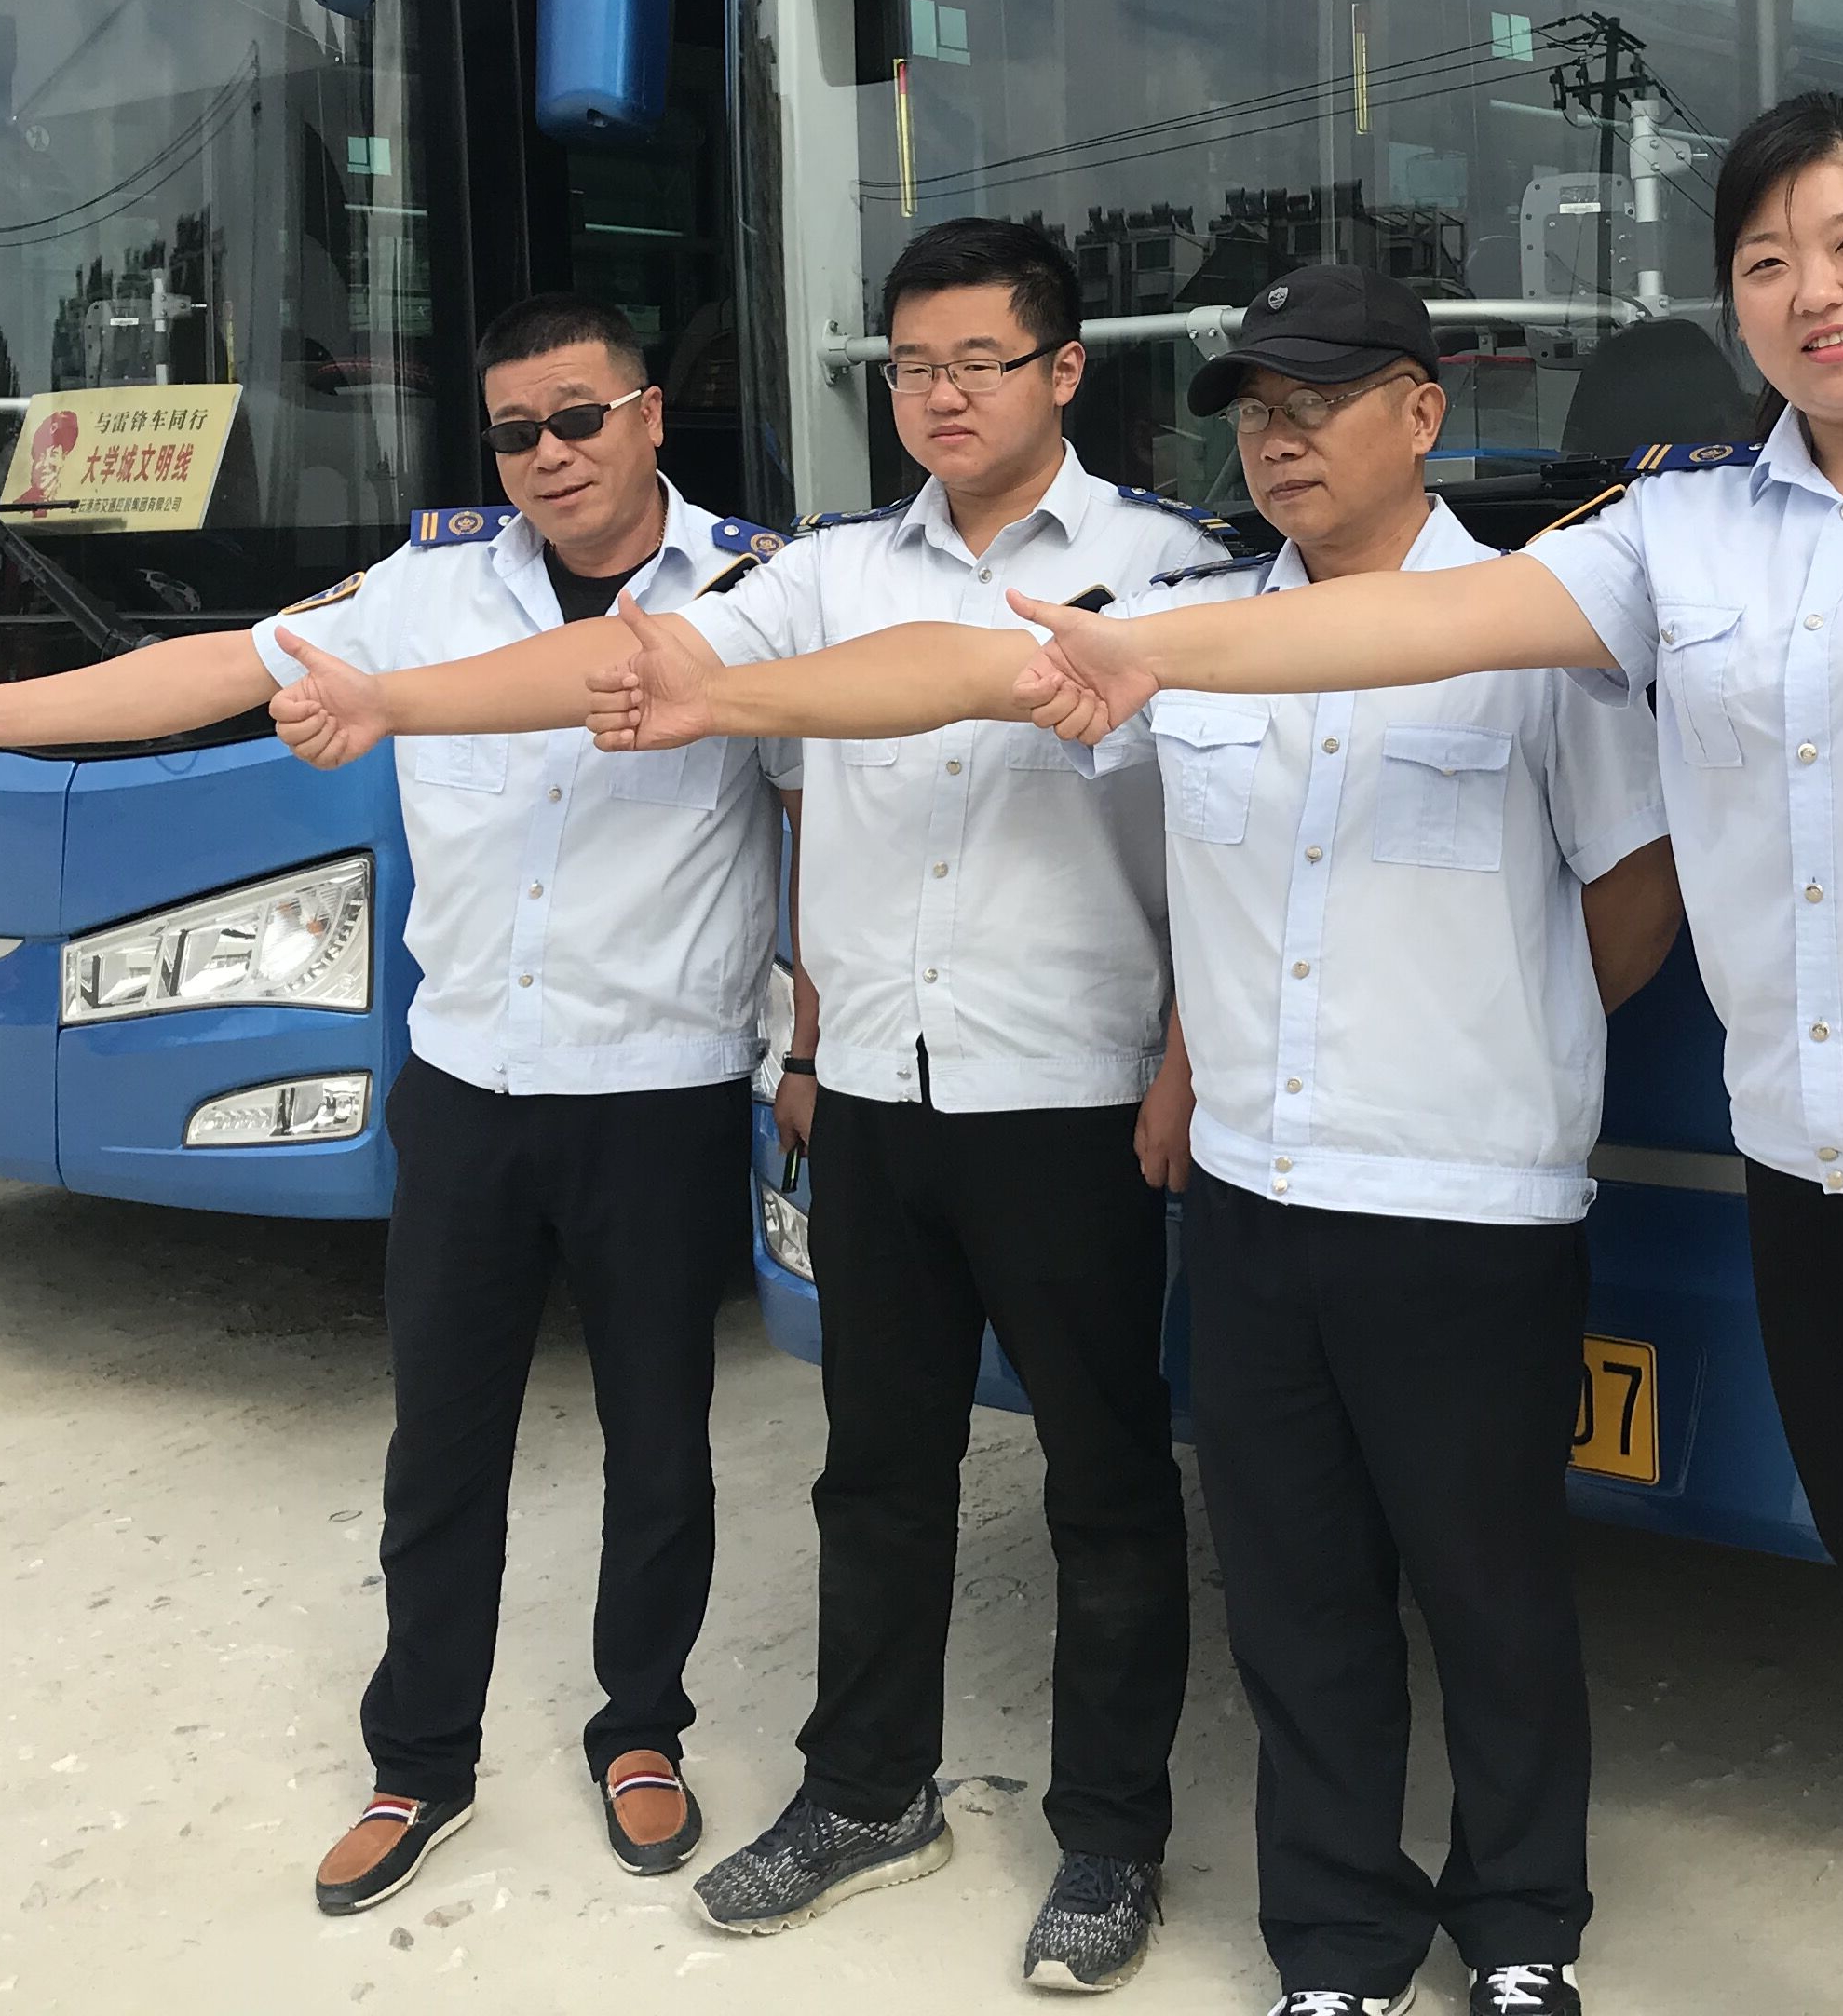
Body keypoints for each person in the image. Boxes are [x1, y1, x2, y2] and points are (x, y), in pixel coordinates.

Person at [1000, 94, 1843, 2016]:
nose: (1816, 290)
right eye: (1768, 261)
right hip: (1821, 1182)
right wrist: (1146, 655)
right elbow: (1417, 625)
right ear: (1733, 302)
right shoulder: (1682, 528)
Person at [581, 262, 1685, 2016]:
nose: (1281, 442)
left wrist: (1499, 1024)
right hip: (1253, 1189)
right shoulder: (1187, 636)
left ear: (1424, 411)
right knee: (1298, 1594)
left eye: (1320, 404)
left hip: (1466, 1189)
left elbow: (1632, 898)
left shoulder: (1535, 635)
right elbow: (1009, 717)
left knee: (1490, 1590)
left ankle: (1522, 1929)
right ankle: (1337, 1942)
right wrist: (717, 700)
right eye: (1257, 412)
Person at [261, 219, 1223, 1993]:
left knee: (1104, 1482)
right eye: (911, 367)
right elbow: (634, 661)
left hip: (1068, 1088)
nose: (940, 396)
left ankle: (1109, 1836)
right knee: (877, 1474)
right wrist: (404, 699)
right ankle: (866, 1793)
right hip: (876, 1096)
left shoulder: (1175, 570)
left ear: (1065, 373)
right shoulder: (829, 568)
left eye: (979, 363)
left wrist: (1182, 1060)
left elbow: (1159, 808)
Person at [0, 295, 784, 1919]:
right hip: (468, 1086)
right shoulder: (427, 588)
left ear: (649, 416)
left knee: (660, 1442)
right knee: (441, 1447)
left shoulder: (758, 587)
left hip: (658, 1090)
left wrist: (812, 1025)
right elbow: (212, 669)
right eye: (515, 432)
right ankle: (420, 1761)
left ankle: (642, 1729)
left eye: (578, 418)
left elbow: (812, 801)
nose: (549, 456)